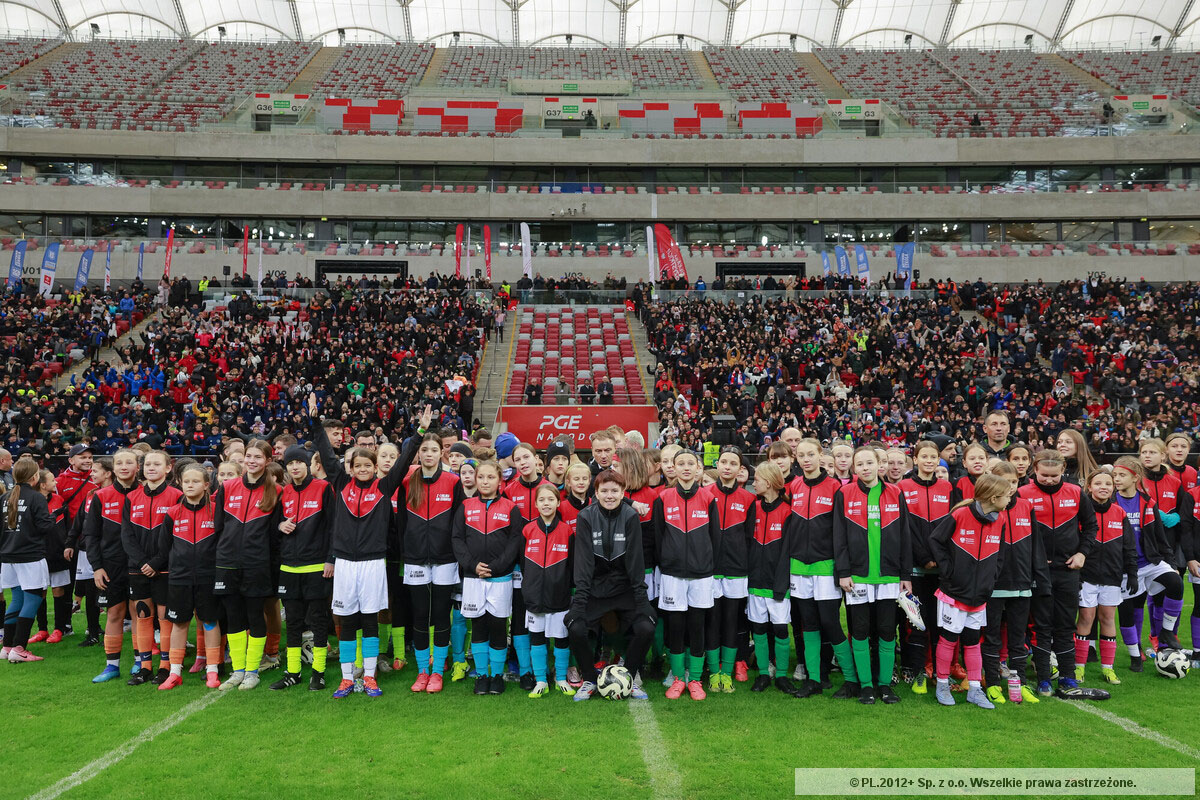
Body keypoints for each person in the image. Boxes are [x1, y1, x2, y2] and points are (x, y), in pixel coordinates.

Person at [309, 394, 408, 699]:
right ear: (350, 468)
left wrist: (418, 434)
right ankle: (346, 678)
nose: (363, 469)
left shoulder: (384, 487)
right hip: (345, 564)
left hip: (373, 563)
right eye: (358, 465)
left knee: (370, 621)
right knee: (348, 621)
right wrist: (315, 422)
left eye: (368, 465)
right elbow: (327, 455)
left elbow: (404, 463)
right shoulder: (340, 484)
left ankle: (370, 676)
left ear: (376, 467)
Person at [1019, 450, 1106, 699]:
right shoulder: (1022, 494)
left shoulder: (1076, 492)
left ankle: (1068, 677)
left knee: (1066, 624)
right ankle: (1043, 679)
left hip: (1069, 570)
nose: (1049, 480)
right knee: (1041, 625)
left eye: (1054, 476)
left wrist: (1082, 554)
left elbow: (1091, 526)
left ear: (1063, 470)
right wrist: (1033, 560)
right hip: (1038, 572)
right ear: (1035, 470)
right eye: (1044, 475)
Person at [833, 447, 911, 705]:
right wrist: (844, 572)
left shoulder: (895, 492)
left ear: (879, 464)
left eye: (869, 462)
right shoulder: (844, 493)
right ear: (854, 468)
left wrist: (905, 574)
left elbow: (905, 535)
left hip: (889, 576)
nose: (865, 468)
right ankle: (866, 685)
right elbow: (839, 537)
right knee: (860, 631)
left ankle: (885, 685)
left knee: (887, 631)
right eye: (860, 464)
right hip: (858, 577)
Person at [928, 473, 1014, 709]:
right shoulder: (960, 514)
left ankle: (975, 689)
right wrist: (948, 570)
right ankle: (942, 685)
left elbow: (1000, 554)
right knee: (948, 639)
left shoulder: (1001, 519)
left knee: (973, 641)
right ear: (994, 497)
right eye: (1007, 496)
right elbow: (935, 540)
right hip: (954, 592)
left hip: (980, 595)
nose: (1010, 499)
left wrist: (991, 578)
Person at [567, 469, 655, 701]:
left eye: (614, 491)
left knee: (647, 627)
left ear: (623, 492)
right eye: (604, 491)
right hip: (595, 589)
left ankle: (630, 676)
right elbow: (584, 563)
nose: (609, 495)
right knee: (575, 627)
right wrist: (579, 603)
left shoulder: (630, 515)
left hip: (623, 589)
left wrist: (642, 602)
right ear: (595, 493)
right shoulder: (585, 516)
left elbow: (635, 562)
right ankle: (589, 678)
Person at [786, 437, 855, 698]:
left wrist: (842, 568)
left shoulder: (836, 487)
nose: (806, 459)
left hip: (826, 566)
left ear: (820, 456)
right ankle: (813, 680)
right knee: (809, 624)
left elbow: (841, 531)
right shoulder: (794, 485)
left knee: (830, 623)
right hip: (798, 566)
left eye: (810, 455)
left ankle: (852, 679)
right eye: (801, 455)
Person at [451, 459, 523, 696]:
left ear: (500, 480)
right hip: (473, 578)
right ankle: (482, 675)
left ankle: (497, 675)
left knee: (498, 626)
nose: (485, 481)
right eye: (481, 477)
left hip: (500, 578)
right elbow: (457, 539)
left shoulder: (511, 508)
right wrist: (472, 565)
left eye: (490, 477)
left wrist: (496, 566)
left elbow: (515, 541)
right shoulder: (465, 506)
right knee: (478, 625)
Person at [212, 440, 279, 692]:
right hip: (227, 562)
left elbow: (275, 535)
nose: (252, 461)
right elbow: (219, 526)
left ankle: (252, 671)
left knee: (255, 615)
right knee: (233, 616)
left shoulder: (276, 490)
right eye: (249, 456)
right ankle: (237, 670)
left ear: (268, 461)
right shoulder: (227, 487)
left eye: (258, 457)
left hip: (257, 564)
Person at [403, 424, 463, 695]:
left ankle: (437, 670)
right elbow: (402, 522)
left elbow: (459, 523)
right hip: (415, 559)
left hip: (445, 559)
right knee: (419, 615)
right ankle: (422, 671)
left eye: (434, 450)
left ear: (442, 453)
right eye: (424, 449)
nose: (428, 454)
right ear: (418, 453)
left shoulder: (453, 482)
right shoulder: (408, 482)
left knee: (440, 615)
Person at [981, 461, 1047, 705]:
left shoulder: (1026, 506)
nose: (1010, 487)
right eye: (1005, 482)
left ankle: (1020, 684)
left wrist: (1040, 580)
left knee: (1018, 638)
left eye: (1014, 482)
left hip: (1021, 582)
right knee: (992, 637)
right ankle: (993, 683)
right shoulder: (985, 508)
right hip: (993, 584)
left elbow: (1036, 545)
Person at [154, 463, 223, 690]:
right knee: (179, 623)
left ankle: (212, 670)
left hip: (208, 577)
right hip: (180, 578)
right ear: (180, 484)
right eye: (186, 481)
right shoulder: (172, 513)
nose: (190, 485)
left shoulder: (217, 511)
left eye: (195, 481)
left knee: (210, 622)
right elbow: (164, 549)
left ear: (206, 484)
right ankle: (174, 672)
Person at [271, 447, 334, 691]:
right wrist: (280, 526)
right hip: (289, 567)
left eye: (299, 462)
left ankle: (318, 672)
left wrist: (331, 559)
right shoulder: (284, 492)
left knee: (318, 621)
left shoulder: (323, 488)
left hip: (317, 565)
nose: (295, 466)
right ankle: (293, 672)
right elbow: (274, 524)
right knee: (293, 622)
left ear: (308, 464)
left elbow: (334, 526)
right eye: (290, 463)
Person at [1113, 457, 1184, 671]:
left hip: (1150, 562)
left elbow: (1160, 537)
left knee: (1176, 583)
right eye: (1115, 475)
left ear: (1135, 478)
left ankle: (1167, 632)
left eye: (1122, 475)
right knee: (1129, 611)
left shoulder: (1148, 502)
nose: (1116, 479)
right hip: (1124, 567)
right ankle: (1135, 656)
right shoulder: (1111, 502)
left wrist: (1171, 562)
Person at [122, 450, 183, 686]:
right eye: (148, 464)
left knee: (164, 617)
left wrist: (156, 562)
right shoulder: (131, 497)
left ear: (168, 468)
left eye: (157, 464)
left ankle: (165, 666)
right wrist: (141, 562)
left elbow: (178, 535)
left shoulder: (177, 496)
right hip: (138, 568)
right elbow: (127, 535)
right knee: (142, 616)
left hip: (165, 568)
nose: (151, 468)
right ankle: (145, 666)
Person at [898, 439, 954, 693]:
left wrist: (939, 558)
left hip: (941, 569)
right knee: (917, 622)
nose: (929, 461)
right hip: (915, 567)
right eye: (924, 456)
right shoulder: (903, 486)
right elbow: (906, 527)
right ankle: (919, 670)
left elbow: (951, 526)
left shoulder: (947, 487)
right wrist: (923, 557)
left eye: (933, 457)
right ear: (915, 459)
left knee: (939, 623)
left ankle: (940, 673)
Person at [1076, 468, 1137, 688]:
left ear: (1114, 488)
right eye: (1098, 483)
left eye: (1108, 484)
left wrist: (1132, 573)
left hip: (1112, 576)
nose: (1104, 487)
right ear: (1089, 487)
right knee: (1086, 618)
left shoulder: (1119, 513)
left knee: (1108, 619)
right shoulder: (1081, 512)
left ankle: (1108, 668)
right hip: (1086, 576)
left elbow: (1129, 546)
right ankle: (1079, 666)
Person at [82, 449, 139, 682]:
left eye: (129, 462)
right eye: (119, 463)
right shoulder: (101, 496)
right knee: (114, 613)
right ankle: (111, 666)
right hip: (110, 566)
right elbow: (91, 535)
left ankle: (140, 662)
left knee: (138, 613)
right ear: (113, 468)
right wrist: (97, 566)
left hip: (138, 565)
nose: (124, 466)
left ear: (137, 467)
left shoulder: (145, 494)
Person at [504, 442, 552, 689]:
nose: (522, 463)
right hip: (518, 565)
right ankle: (523, 669)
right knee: (520, 614)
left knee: (545, 614)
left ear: (536, 459)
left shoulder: (550, 488)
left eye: (526, 457)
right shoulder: (509, 491)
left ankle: (544, 666)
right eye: (518, 459)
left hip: (547, 563)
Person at [707, 445, 754, 693]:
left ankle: (728, 671)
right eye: (724, 462)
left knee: (732, 621)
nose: (727, 467)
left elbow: (749, 537)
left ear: (740, 468)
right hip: (710, 570)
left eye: (733, 463)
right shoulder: (705, 493)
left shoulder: (749, 498)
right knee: (713, 621)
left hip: (737, 570)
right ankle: (714, 671)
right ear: (717, 464)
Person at [521, 483, 575, 698]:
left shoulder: (567, 531)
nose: (546, 503)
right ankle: (541, 680)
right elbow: (522, 563)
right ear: (535, 504)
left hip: (559, 596)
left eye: (551, 499)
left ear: (558, 502)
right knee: (536, 639)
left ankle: (560, 678)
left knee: (561, 638)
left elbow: (572, 565)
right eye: (542, 500)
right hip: (534, 596)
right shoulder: (527, 530)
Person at [746, 462, 795, 696]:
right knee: (758, 629)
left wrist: (781, 584)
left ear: (768, 482)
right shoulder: (753, 507)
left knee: (781, 630)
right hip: (755, 582)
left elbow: (787, 553)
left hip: (777, 584)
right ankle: (764, 674)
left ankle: (782, 675)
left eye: (756, 479)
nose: (753, 483)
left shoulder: (787, 511)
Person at [1, 458, 54, 662]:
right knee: (33, 599)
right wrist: (53, 518)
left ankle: (7, 647)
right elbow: (44, 527)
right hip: (30, 556)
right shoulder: (36, 497)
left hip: (8, 556)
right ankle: (19, 648)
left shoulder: (4, 497)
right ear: (35, 477)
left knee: (17, 599)